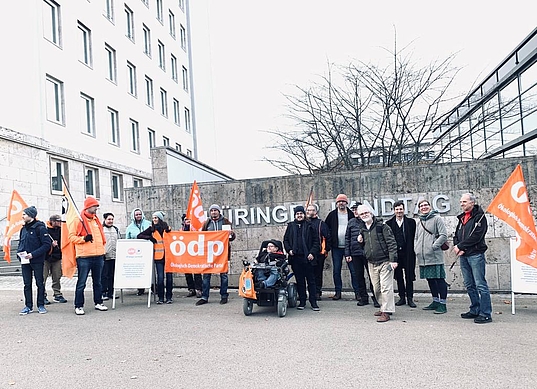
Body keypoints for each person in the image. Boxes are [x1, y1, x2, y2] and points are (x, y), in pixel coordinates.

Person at [454, 193, 492, 324]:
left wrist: (461, 246)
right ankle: (475, 309)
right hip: (464, 256)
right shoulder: (462, 218)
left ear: (472, 203)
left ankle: (486, 313)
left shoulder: (480, 218)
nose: (462, 204)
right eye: (461, 202)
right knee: (469, 284)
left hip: (475, 255)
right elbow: (457, 234)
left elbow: (476, 236)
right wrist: (456, 245)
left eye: (464, 201)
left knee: (480, 284)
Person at [356, 204, 398, 323]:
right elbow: (366, 245)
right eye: (362, 214)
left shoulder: (382, 226)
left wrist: (393, 260)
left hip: (385, 261)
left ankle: (386, 312)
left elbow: (391, 243)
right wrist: (360, 242)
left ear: (371, 213)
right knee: (376, 288)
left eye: (366, 213)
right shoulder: (363, 228)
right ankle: (383, 306)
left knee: (386, 287)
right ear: (359, 216)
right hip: (371, 262)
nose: (364, 215)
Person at [68, 197, 108, 315]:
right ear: (88, 207)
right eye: (95, 206)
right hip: (84, 257)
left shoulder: (96, 220)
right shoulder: (78, 220)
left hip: (98, 255)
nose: (96, 208)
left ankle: (98, 302)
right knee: (82, 282)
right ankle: (79, 305)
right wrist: (84, 239)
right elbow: (71, 237)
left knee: (98, 281)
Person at [196, 204, 236, 306]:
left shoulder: (226, 222)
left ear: (219, 211)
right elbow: (202, 237)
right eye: (212, 210)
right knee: (206, 275)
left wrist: (231, 234)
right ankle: (204, 297)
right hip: (209, 254)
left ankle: (224, 296)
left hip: (222, 253)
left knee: (224, 276)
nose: (213, 212)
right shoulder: (206, 223)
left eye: (215, 210)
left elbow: (231, 238)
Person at [324, 194, 362, 300]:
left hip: (350, 248)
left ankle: (357, 292)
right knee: (336, 270)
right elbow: (326, 229)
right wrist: (330, 242)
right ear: (336, 203)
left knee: (353, 271)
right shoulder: (331, 215)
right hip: (336, 248)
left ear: (346, 203)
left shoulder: (351, 214)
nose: (341, 203)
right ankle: (338, 292)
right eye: (339, 201)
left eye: (343, 201)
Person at [414, 199, 449, 314]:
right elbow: (416, 238)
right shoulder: (419, 221)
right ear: (419, 208)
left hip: (434, 255)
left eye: (425, 205)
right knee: (430, 280)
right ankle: (435, 301)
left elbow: (443, 235)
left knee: (439, 280)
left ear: (430, 206)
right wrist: (417, 248)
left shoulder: (437, 218)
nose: (423, 207)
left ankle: (443, 304)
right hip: (423, 257)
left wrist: (433, 246)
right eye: (421, 206)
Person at [283, 205, 320, 311]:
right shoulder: (291, 226)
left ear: (304, 214)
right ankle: (302, 302)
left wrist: (312, 253)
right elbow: (285, 240)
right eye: (297, 214)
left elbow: (316, 241)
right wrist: (289, 250)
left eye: (301, 213)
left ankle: (313, 302)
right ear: (295, 215)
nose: (299, 215)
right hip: (295, 258)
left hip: (308, 258)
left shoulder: (310, 225)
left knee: (311, 281)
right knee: (300, 281)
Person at [17, 206, 52, 315]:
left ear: (31, 215)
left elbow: (47, 244)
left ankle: (41, 305)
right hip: (25, 261)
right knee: (27, 284)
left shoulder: (40, 228)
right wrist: (19, 254)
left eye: (24, 214)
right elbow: (20, 243)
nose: (22, 216)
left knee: (39, 283)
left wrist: (33, 254)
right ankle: (28, 306)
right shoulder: (23, 229)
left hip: (37, 261)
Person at [386, 200, 417, 308]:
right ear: (394, 211)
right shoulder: (389, 224)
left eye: (401, 209)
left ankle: (410, 298)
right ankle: (402, 297)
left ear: (404, 210)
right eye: (397, 209)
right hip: (396, 255)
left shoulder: (411, 222)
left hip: (408, 253)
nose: (399, 211)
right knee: (398, 277)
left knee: (409, 276)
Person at [138, 211, 173, 304]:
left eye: (156, 218)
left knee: (169, 278)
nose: (154, 219)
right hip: (158, 258)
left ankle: (169, 297)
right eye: (153, 218)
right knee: (160, 278)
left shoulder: (167, 228)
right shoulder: (152, 229)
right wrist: (149, 238)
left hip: (168, 257)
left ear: (160, 219)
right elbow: (139, 235)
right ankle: (161, 297)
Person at [345, 201, 375, 307]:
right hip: (355, 254)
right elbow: (347, 238)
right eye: (353, 210)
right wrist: (347, 254)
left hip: (367, 253)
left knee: (372, 276)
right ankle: (363, 297)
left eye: (356, 209)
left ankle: (376, 298)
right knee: (359, 276)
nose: (355, 211)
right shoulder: (351, 222)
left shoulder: (367, 221)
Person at [306, 203, 331, 300]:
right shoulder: (304, 223)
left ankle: (317, 292)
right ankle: (308, 293)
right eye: (308, 210)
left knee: (317, 274)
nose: (309, 212)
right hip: (306, 253)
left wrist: (325, 250)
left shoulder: (321, 223)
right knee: (307, 274)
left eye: (312, 210)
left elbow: (328, 237)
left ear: (316, 212)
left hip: (319, 254)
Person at [125, 208, 152, 296]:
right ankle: (140, 288)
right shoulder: (130, 227)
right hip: (136, 252)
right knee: (139, 269)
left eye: (140, 214)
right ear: (133, 216)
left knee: (149, 269)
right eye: (136, 215)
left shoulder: (148, 224)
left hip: (147, 249)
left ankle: (151, 286)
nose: (138, 216)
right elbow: (127, 240)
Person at [43, 214, 67, 305]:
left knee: (57, 276)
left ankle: (57, 294)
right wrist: (50, 244)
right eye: (58, 221)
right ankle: (42, 295)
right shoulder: (45, 230)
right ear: (52, 221)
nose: (60, 223)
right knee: (43, 277)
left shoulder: (62, 231)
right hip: (46, 257)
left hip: (57, 257)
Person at [181, 214, 202, 298]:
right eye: (186, 220)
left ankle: (199, 289)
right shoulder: (181, 230)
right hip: (185, 253)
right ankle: (191, 289)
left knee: (197, 271)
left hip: (195, 252)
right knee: (187, 272)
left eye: (189, 219)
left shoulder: (196, 229)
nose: (188, 221)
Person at [101, 212, 120, 301]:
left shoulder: (115, 229)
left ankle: (111, 292)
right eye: (109, 219)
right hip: (104, 256)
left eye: (112, 219)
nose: (110, 221)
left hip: (114, 256)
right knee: (104, 275)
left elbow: (119, 241)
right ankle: (103, 292)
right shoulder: (101, 229)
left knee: (112, 275)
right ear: (104, 219)